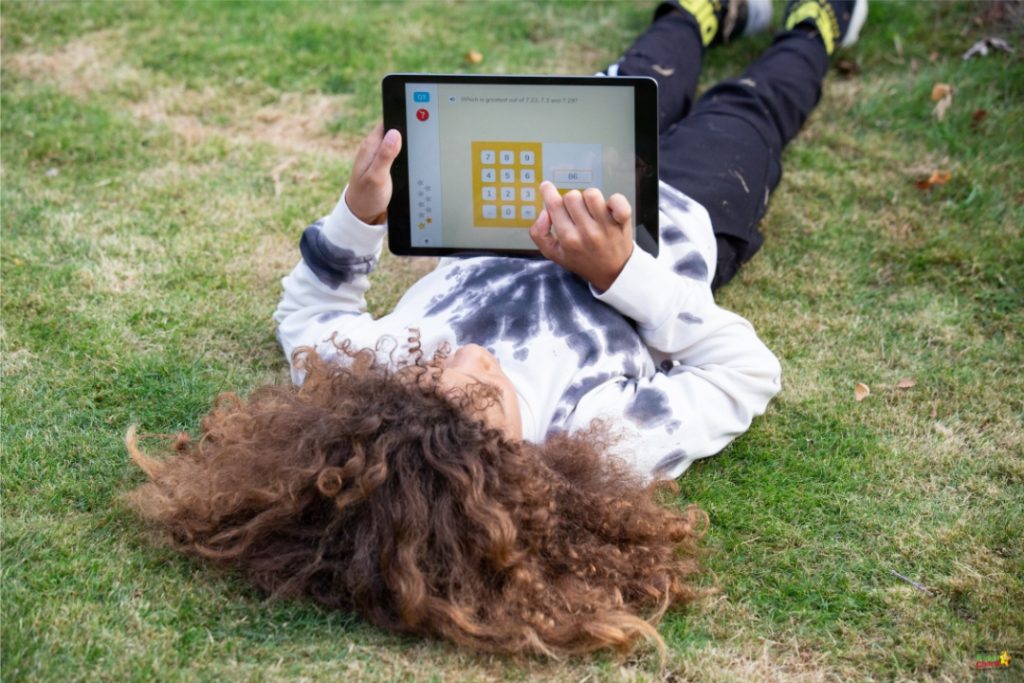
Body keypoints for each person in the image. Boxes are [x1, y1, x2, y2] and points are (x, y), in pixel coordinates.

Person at [128, 0, 868, 660]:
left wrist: (357, 214)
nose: (469, 361)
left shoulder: (381, 385)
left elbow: (311, 313)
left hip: (549, 183)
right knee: (748, 108)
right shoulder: (598, 440)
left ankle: (704, 13)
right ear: (520, 474)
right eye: (486, 399)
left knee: (644, 76)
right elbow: (743, 370)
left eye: (432, 379)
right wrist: (620, 272)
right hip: (680, 215)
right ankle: (819, 22)